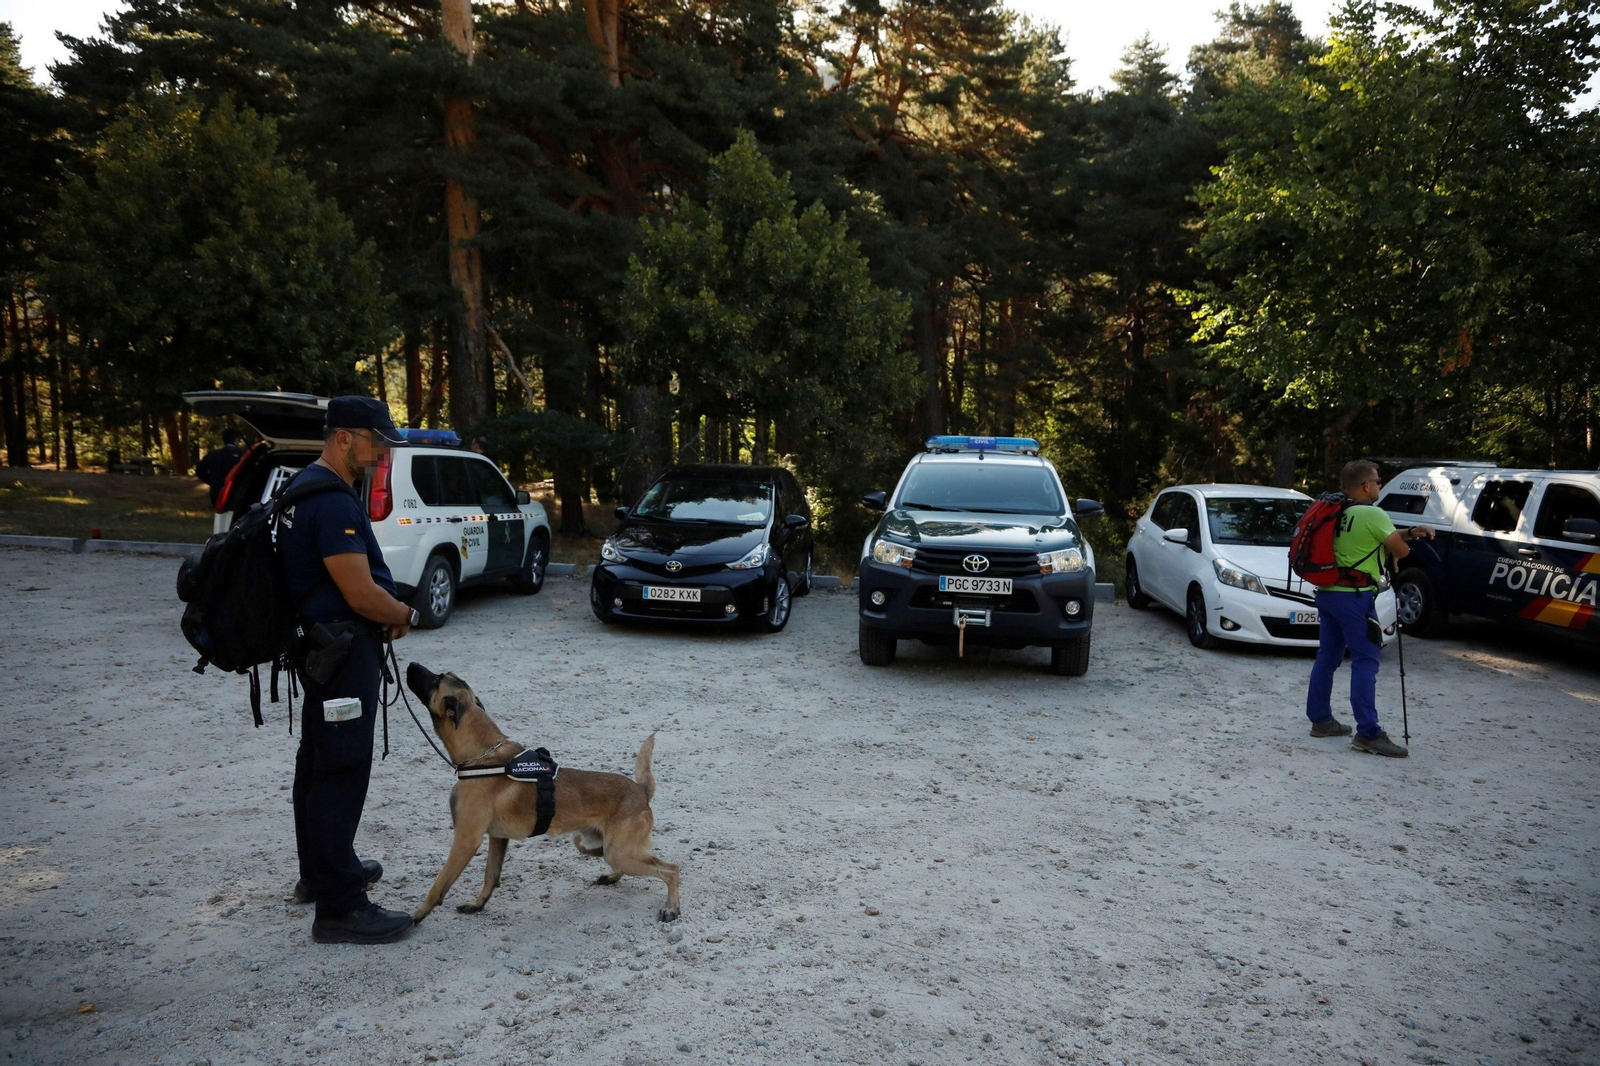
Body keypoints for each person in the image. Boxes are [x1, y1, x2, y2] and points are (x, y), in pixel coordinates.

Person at [277, 397, 420, 943]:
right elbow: (359, 593)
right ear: (343, 437)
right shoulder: (332, 502)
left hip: (319, 650)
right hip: (340, 656)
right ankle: (340, 907)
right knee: (340, 770)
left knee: (316, 763)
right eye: (376, 442)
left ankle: (320, 873)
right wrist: (404, 613)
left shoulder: (299, 487)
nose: (382, 453)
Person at [1305, 459, 1434, 758]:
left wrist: (1412, 531)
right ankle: (1368, 733)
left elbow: (1377, 538)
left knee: (1327, 657)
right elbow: (1398, 549)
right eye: (1377, 480)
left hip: (1328, 593)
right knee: (1366, 660)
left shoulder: (1338, 511)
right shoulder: (1372, 514)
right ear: (1366, 485)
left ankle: (1321, 721)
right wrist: (1405, 543)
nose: (1379, 484)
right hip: (1355, 597)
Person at [195, 429, 246, 505]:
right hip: (236, 492)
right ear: (236, 440)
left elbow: (199, 470)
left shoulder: (213, 455)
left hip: (217, 492)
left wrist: (212, 481)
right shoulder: (243, 454)